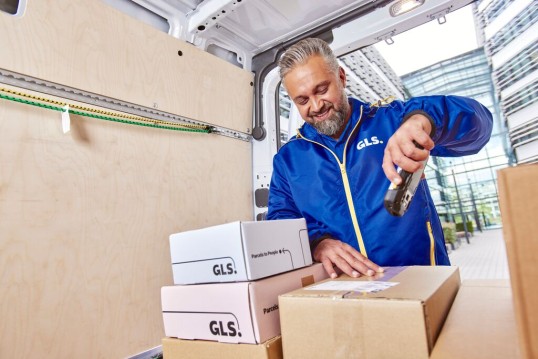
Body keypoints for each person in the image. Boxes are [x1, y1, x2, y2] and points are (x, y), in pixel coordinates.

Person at [266, 37, 493, 279]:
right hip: (346, 293)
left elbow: (480, 126)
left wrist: (424, 121)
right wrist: (317, 244)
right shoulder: (287, 159)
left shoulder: (393, 120)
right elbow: (280, 221)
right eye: (302, 100)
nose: (316, 105)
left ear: (341, 78)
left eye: (322, 90)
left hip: (424, 282)